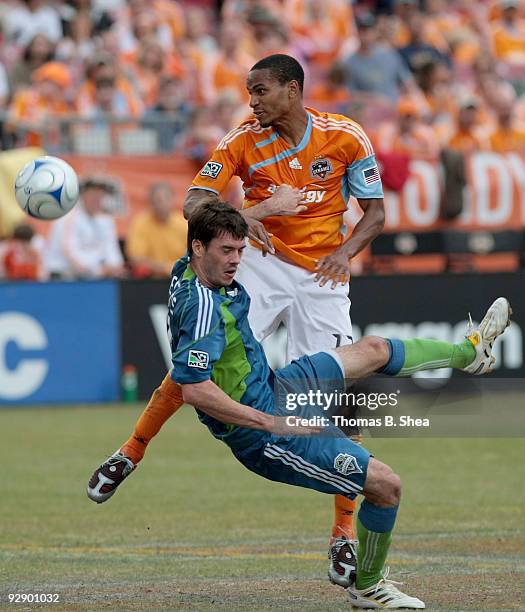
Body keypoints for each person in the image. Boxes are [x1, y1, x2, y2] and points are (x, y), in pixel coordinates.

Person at [88, 200, 512, 608]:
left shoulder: (190, 268)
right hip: (264, 436)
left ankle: (468, 354)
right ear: (199, 247)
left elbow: (214, 224)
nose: (237, 260)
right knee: (386, 487)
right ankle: (367, 588)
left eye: (240, 249)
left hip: (279, 385)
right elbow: (195, 389)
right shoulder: (203, 309)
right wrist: (270, 422)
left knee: (374, 348)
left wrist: (264, 211)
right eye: (227, 251)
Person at [88, 52, 387, 588]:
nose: (252, 101)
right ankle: (130, 451)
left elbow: (376, 213)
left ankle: (343, 531)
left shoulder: (347, 137)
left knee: (345, 397)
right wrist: (256, 215)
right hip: (264, 266)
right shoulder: (240, 141)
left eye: (261, 91)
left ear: (293, 90)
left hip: (325, 277)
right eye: (249, 92)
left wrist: (346, 252)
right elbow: (194, 204)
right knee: (200, 356)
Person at [45, 176, 124, 279]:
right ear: (82, 195)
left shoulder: (106, 221)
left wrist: (115, 267)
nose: (97, 199)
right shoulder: (67, 218)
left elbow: (112, 251)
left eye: (101, 195)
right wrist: (98, 270)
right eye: (93, 194)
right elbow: (70, 253)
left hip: (94, 278)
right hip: (63, 278)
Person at [126, 181, 187, 278]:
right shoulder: (140, 223)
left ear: (172, 200)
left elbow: (195, 256)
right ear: (150, 203)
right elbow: (136, 259)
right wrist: (166, 268)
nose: (160, 205)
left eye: (164, 200)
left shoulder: (184, 224)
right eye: (156, 200)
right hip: (151, 280)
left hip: (182, 278)